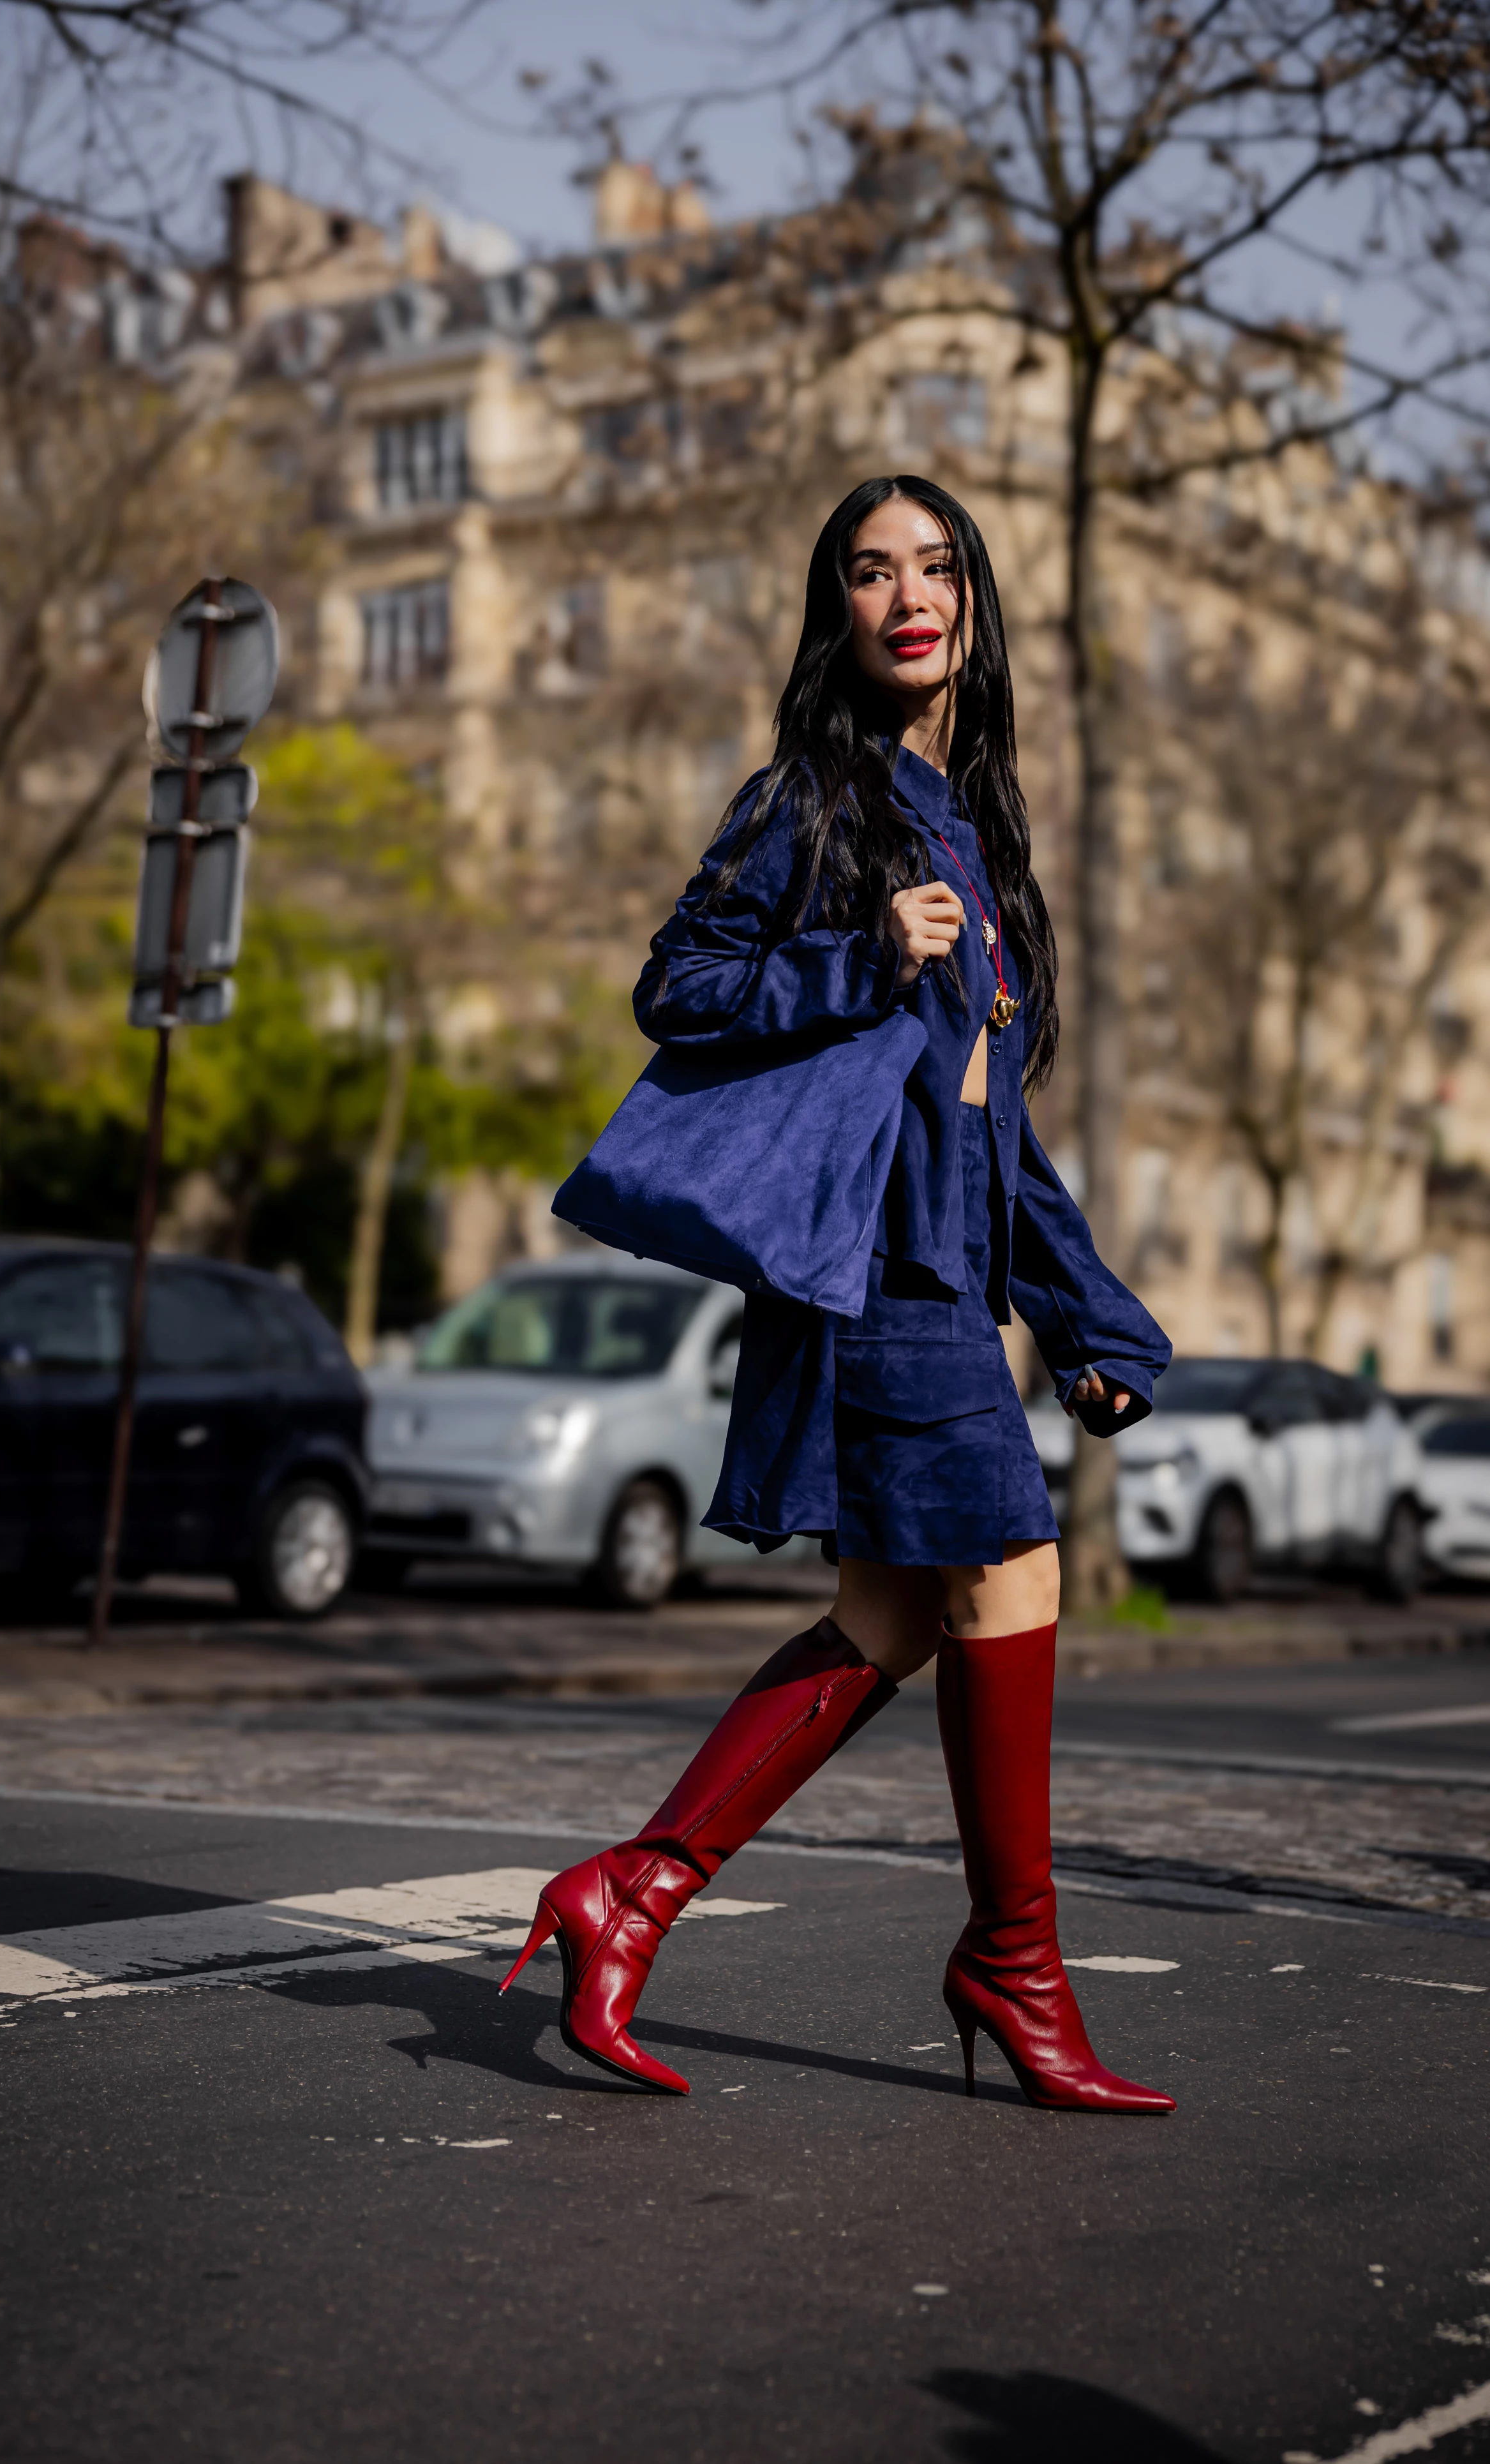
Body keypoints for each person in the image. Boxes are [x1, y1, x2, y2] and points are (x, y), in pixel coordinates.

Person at [502, 475, 1173, 2114]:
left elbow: (991, 1129)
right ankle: (1013, 1964)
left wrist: (1091, 1319)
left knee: (888, 1613)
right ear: (839, 612)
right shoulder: (813, 801)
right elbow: (681, 984)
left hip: (947, 1266)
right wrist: (859, 950)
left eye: (935, 566)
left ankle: (630, 1891)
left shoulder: (983, 832)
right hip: (869, 1275)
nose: (906, 593)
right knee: (1010, 1569)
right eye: (869, 572)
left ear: (972, 600)